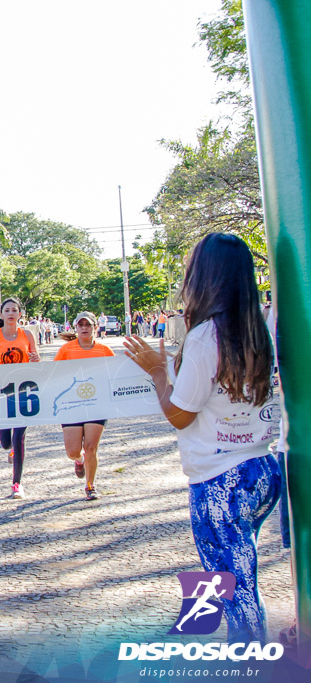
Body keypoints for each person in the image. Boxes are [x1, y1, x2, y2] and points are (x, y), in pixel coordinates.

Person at [124, 233, 281, 643]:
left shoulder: (205, 337)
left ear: (203, 277)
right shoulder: (260, 328)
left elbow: (179, 415)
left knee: (237, 593)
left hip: (220, 482)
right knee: (234, 581)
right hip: (262, 468)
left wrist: (157, 371)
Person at [0, 297, 40, 499]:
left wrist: (36, 360)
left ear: (20, 314)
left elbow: (35, 360)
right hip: (1, 394)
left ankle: (17, 483)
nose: (11, 313)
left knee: (19, 437)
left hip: (23, 393)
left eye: (15, 310)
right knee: (6, 442)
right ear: (2, 314)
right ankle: (11, 451)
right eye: (8, 310)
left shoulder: (27, 335)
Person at [54, 312, 115, 500]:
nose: (84, 328)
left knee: (91, 447)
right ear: (76, 328)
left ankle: (90, 485)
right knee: (73, 451)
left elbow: (116, 374)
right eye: (80, 325)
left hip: (96, 404)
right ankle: (78, 461)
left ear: (95, 327)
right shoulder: (66, 350)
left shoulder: (105, 350)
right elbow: (54, 374)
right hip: (72, 405)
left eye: (87, 324)